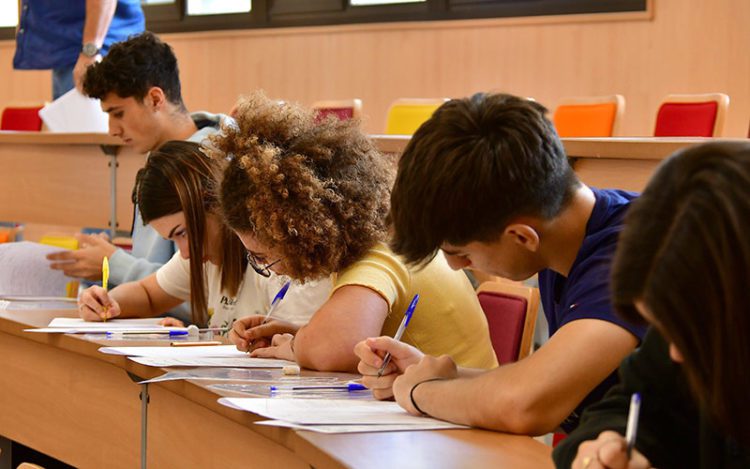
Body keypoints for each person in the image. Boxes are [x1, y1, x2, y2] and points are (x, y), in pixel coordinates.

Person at [354, 92, 647, 435]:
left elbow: (526, 405)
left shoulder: (635, 255)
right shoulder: (563, 234)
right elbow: (545, 383)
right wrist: (442, 378)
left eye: (460, 251)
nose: (456, 266)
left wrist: (420, 393)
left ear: (521, 237)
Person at [208, 92, 498, 373]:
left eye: (262, 258)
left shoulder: (382, 254)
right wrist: (297, 334)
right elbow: (359, 343)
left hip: (462, 415)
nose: (269, 270)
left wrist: (294, 348)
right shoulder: (377, 239)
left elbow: (336, 347)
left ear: (295, 230)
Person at [553, 141, 750, 469]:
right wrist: (604, 448)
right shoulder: (686, 324)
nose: (675, 354)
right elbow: (628, 406)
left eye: (688, 329)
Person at [46, 32, 224, 311]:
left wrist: (114, 264)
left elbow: (206, 296)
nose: (112, 130)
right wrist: (103, 278)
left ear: (155, 99)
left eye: (118, 113)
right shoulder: (159, 157)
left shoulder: (213, 165)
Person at [78, 141, 329, 329]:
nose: (185, 253)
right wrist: (108, 303)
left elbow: (299, 350)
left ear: (217, 206)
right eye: (174, 240)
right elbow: (148, 294)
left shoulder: (276, 260)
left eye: (184, 233)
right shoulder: (205, 252)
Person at [13, 0, 145, 99]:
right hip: (65, 49)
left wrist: (90, 51)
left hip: (91, 48)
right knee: (68, 130)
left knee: (84, 131)